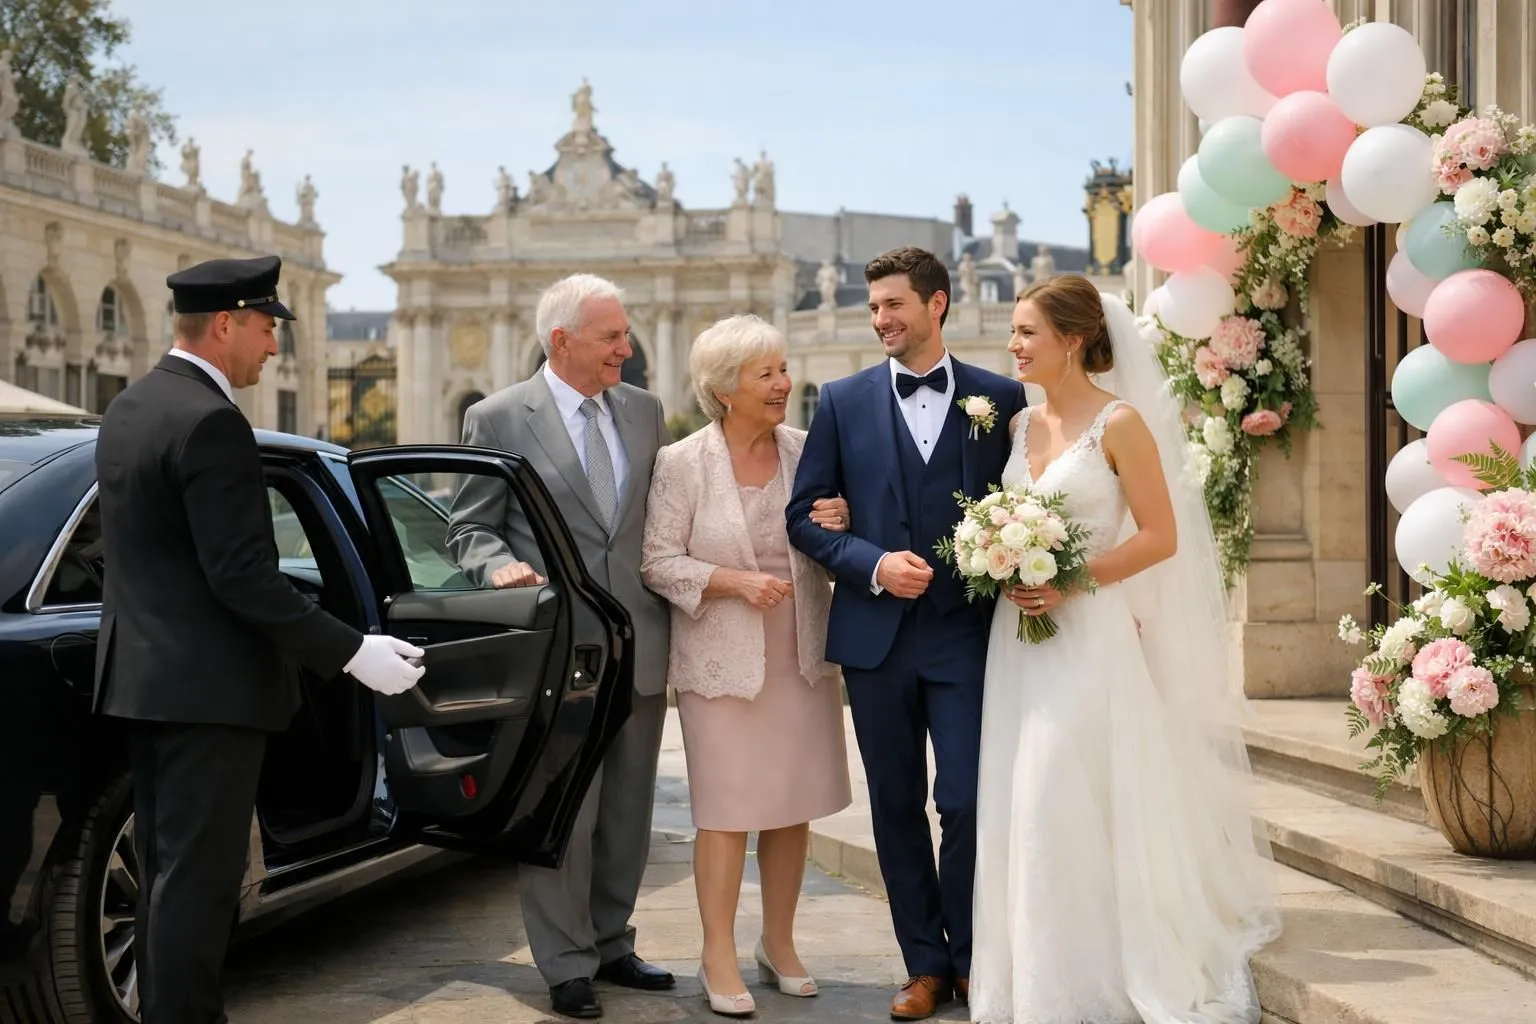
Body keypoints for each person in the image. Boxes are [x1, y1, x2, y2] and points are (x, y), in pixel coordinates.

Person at [93, 255, 426, 1024]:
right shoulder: (212, 421)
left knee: (168, 882)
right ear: (225, 324)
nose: (274, 347)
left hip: (147, 682)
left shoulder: (131, 406)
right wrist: (353, 652)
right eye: (267, 327)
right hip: (210, 691)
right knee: (199, 889)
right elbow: (243, 578)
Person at [966, 274, 1281, 1023]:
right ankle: (1030, 978)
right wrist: (1000, 557)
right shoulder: (1018, 428)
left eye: (1026, 333)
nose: (1013, 345)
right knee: (1022, 797)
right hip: (1019, 641)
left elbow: (1160, 537)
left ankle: (1090, 979)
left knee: (1059, 792)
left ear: (1073, 340)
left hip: (1089, 637)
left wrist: (1072, 578)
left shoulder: (1120, 423)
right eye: (1014, 332)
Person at [785, 246, 1027, 1021]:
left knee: (965, 798)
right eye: (874, 308)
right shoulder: (842, 399)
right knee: (895, 804)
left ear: (938, 305)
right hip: (875, 640)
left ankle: (970, 957)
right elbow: (803, 515)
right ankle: (924, 965)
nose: (882, 320)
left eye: (894, 305)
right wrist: (871, 561)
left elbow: (1032, 502)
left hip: (967, 635)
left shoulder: (1001, 398)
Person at [445, 273, 672, 1020]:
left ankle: (612, 942)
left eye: (626, 334)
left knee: (629, 810)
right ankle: (564, 963)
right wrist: (495, 565)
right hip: (558, 650)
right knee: (562, 813)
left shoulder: (643, 412)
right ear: (562, 340)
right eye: (612, 337)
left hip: (637, 643)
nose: (627, 349)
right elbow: (467, 526)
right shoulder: (499, 417)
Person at [639, 314, 853, 1017]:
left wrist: (840, 522)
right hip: (720, 662)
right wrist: (734, 582)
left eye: (783, 369)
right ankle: (716, 954)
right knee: (727, 814)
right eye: (766, 374)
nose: (784, 384)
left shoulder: (806, 450)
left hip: (801, 654)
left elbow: (831, 533)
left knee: (790, 808)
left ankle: (780, 944)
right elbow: (658, 562)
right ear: (724, 388)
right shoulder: (681, 463)